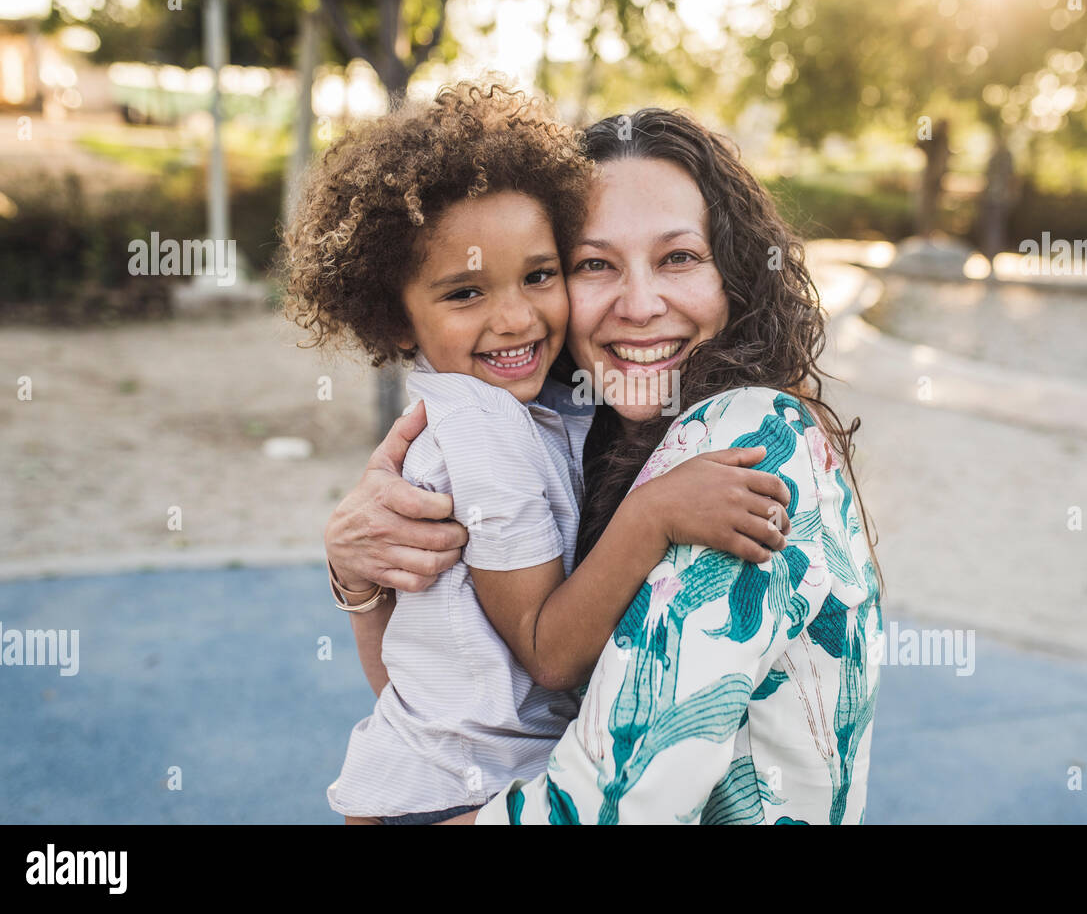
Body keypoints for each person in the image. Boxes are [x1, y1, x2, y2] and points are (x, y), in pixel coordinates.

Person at [327, 106, 884, 825]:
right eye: (595, 264)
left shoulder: (747, 438)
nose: (641, 305)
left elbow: (603, 809)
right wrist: (359, 572)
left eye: (678, 257)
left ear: (735, 277)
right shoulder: (578, 435)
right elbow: (446, 701)